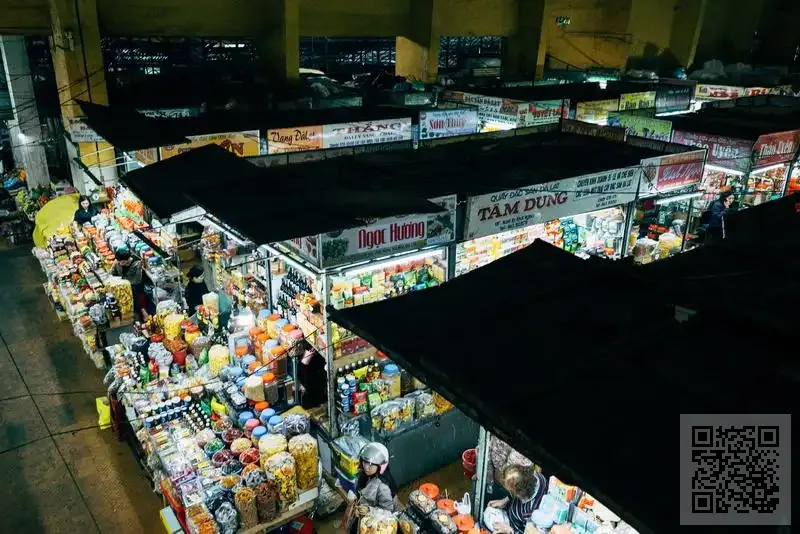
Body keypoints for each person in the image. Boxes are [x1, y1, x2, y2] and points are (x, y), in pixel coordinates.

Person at [346, 442, 399, 534]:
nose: (367, 467)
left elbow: (388, 512)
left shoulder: (383, 487)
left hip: (379, 520)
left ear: (380, 466)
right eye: (365, 462)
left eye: (371, 464)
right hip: (364, 512)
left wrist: (369, 510)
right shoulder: (365, 474)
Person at [487, 465, 548, 534]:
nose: (510, 493)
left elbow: (526, 531)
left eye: (511, 491)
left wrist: (509, 530)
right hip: (511, 512)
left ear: (520, 494)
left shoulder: (530, 512)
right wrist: (505, 500)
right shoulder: (538, 477)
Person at [111, 248, 147, 321]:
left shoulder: (136, 264)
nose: (119, 264)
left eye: (122, 262)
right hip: (122, 283)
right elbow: (113, 272)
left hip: (135, 284)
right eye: (118, 261)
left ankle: (144, 312)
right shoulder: (118, 261)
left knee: (137, 292)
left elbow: (137, 279)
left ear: (126, 260)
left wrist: (125, 283)